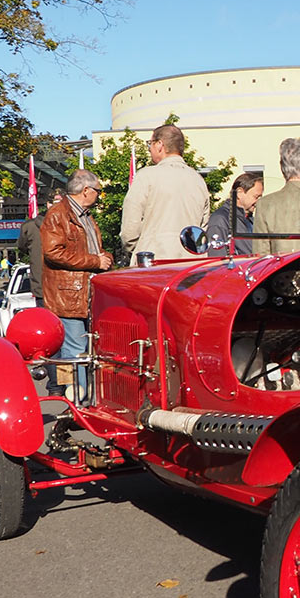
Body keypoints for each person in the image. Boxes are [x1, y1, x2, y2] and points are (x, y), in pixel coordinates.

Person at [42, 170, 113, 404]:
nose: (99, 195)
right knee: (73, 351)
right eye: (98, 191)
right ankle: (77, 402)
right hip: (68, 294)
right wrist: (95, 260)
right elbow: (53, 252)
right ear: (86, 191)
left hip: (83, 292)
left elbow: (86, 250)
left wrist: (104, 256)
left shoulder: (83, 215)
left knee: (80, 349)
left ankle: (81, 399)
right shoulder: (58, 214)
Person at [119, 124, 209, 263]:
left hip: (153, 261)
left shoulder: (146, 176)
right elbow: (202, 228)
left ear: (160, 145)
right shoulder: (198, 180)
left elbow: (130, 230)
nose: (149, 149)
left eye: (150, 144)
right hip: (191, 263)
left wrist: (141, 248)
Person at [205, 170, 265, 256]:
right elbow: (218, 258)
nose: (258, 201)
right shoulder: (220, 219)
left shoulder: (249, 219)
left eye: (260, 197)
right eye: (256, 197)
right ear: (239, 193)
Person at [17, 202, 47, 307]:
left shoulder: (29, 226)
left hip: (42, 288)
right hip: (48, 288)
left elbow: (22, 247)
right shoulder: (30, 227)